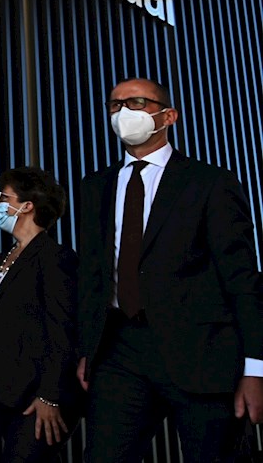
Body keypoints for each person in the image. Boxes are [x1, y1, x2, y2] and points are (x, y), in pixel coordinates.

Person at [76, 77, 263, 462]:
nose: (124, 112)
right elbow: (92, 275)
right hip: (119, 352)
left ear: (169, 116)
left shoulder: (210, 183)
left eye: (138, 103)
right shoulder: (94, 187)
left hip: (201, 356)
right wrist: (87, 348)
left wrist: (256, 369)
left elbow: (243, 280)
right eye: (115, 105)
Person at [0, 166, 78, 462]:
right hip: (3, 389)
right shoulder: (5, 258)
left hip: (38, 394)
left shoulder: (55, 258)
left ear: (27, 206)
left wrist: (50, 396)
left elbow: (63, 330)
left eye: (4, 197)